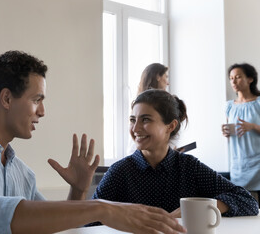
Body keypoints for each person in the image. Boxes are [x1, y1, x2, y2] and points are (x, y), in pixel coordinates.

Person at [0, 50, 186, 234]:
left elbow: (49, 227)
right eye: (36, 100)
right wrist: (102, 208)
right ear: (7, 99)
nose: (42, 112)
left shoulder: (20, 171)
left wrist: (79, 192)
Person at [93, 89, 259, 219]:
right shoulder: (119, 172)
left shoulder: (189, 167)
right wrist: (79, 189)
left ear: (170, 126)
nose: (135, 129)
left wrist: (198, 208)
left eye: (145, 120)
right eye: (132, 120)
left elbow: (248, 202)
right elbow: (87, 222)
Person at [222, 63, 260, 202]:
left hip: (258, 165)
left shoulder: (258, 103)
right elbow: (231, 130)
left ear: (250, 79)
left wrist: (253, 126)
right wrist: (226, 132)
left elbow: (250, 127)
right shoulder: (229, 106)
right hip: (238, 166)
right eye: (231, 78)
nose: (233, 81)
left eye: (238, 77)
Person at [127, 63, 170, 155]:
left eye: (145, 120)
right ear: (158, 76)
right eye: (166, 77)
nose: (167, 82)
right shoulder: (142, 104)